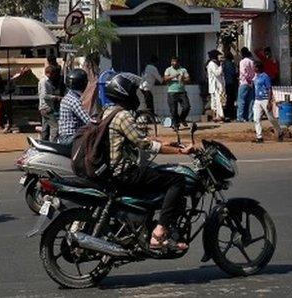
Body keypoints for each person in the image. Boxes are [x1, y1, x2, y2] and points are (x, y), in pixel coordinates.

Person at [104, 73, 194, 251]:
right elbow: (145, 144)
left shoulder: (108, 111)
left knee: (155, 174)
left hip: (111, 170)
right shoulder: (123, 116)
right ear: (124, 93)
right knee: (177, 180)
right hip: (124, 172)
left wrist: (164, 142)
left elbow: (138, 137)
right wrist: (179, 151)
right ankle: (159, 232)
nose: (135, 96)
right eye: (132, 92)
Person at [58, 68, 96, 143]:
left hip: (64, 137)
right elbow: (88, 121)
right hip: (70, 138)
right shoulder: (74, 101)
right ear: (83, 84)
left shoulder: (68, 97)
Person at [252, 59, 282, 143]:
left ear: (258, 68)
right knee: (256, 118)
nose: (253, 68)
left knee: (270, 118)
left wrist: (269, 101)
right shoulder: (256, 76)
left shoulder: (265, 77)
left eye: (254, 67)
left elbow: (269, 89)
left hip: (265, 99)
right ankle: (259, 137)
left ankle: (279, 131)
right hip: (257, 100)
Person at [163, 56, 191, 126]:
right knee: (173, 110)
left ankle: (182, 118)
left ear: (178, 62)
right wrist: (173, 76)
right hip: (172, 92)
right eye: (172, 61)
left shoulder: (183, 70)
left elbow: (188, 79)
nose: (173, 63)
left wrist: (183, 79)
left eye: (175, 61)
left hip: (182, 92)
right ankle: (176, 125)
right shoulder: (168, 70)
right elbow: (165, 79)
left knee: (187, 107)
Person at [38, 65, 62, 142]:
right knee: (55, 127)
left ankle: (43, 143)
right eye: (54, 74)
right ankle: (53, 144)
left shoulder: (48, 82)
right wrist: (56, 97)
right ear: (49, 73)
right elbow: (44, 95)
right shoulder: (44, 81)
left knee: (45, 128)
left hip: (46, 107)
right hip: (46, 107)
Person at [237, 48, 256, 123]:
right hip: (251, 83)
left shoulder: (242, 62)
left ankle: (240, 117)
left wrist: (248, 79)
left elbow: (243, 72)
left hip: (244, 83)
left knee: (241, 101)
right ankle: (250, 117)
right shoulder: (252, 62)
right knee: (251, 101)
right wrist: (251, 81)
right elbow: (254, 73)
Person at [206, 51, 226, 122]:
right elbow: (217, 73)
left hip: (217, 86)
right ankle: (220, 116)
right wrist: (221, 65)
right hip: (215, 86)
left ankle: (218, 116)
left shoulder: (214, 64)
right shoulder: (212, 64)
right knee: (218, 101)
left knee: (218, 101)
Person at [222, 50, 239, 120]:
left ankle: (229, 114)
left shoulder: (224, 64)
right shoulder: (230, 64)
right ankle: (230, 114)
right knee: (231, 99)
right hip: (231, 83)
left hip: (227, 83)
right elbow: (233, 73)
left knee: (229, 99)